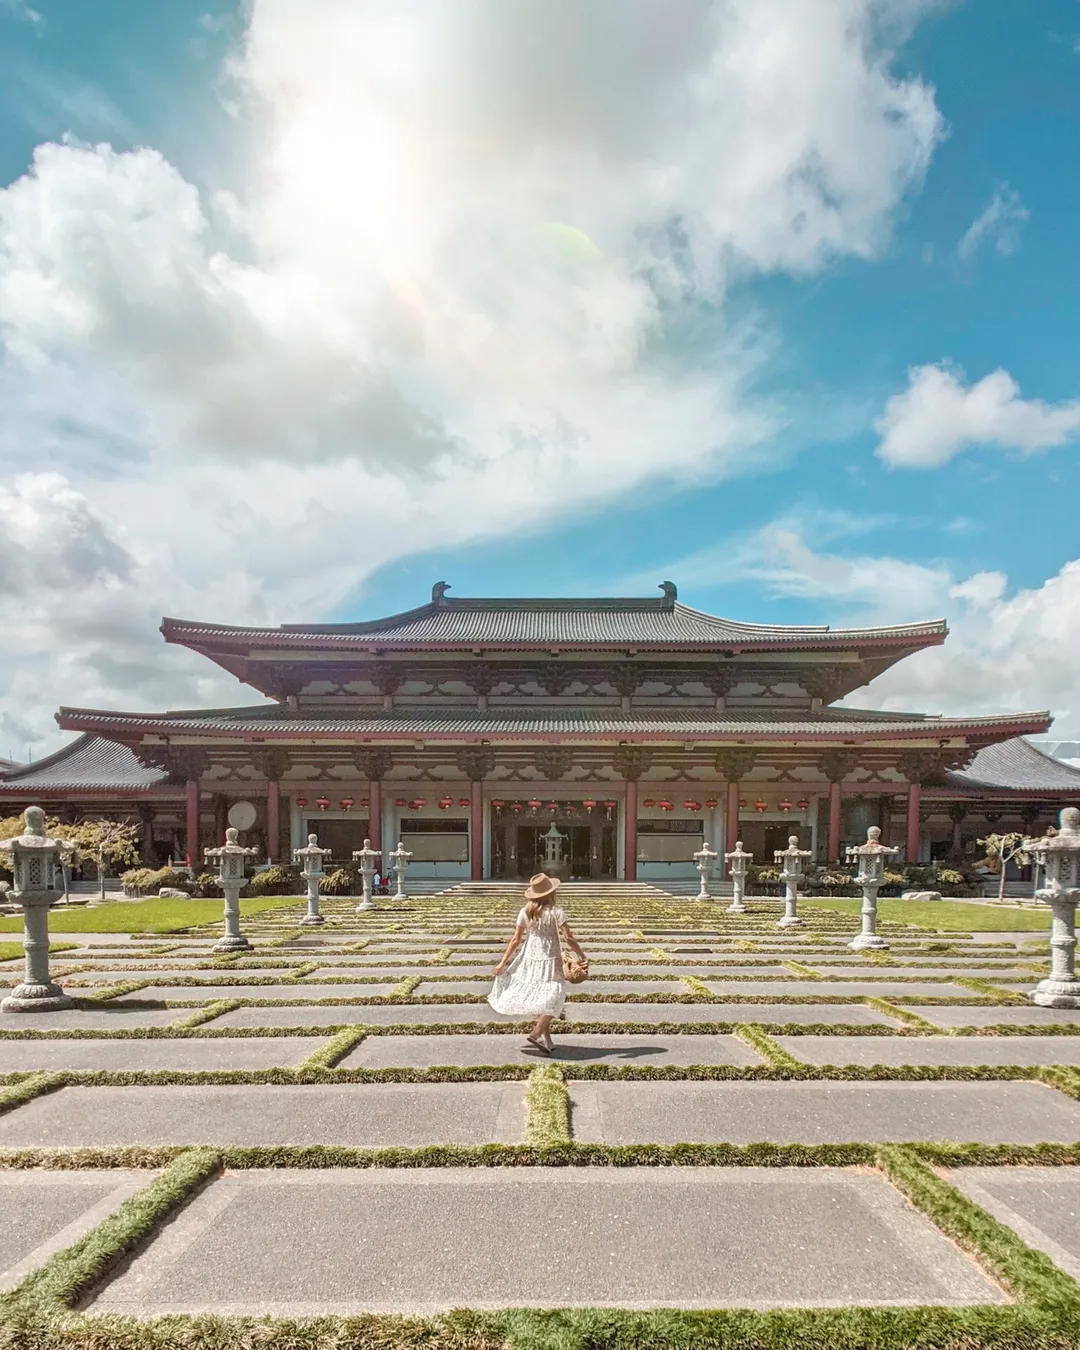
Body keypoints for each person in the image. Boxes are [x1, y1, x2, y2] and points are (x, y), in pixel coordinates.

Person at [488, 872, 587, 1055]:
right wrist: (581, 954)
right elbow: (568, 937)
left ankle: (547, 1041)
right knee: (555, 994)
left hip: (531, 957)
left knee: (543, 996)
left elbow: (515, 940)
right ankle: (535, 1034)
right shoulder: (557, 912)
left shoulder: (525, 912)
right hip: (550, 958)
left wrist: (503, 962)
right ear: (550, 892)